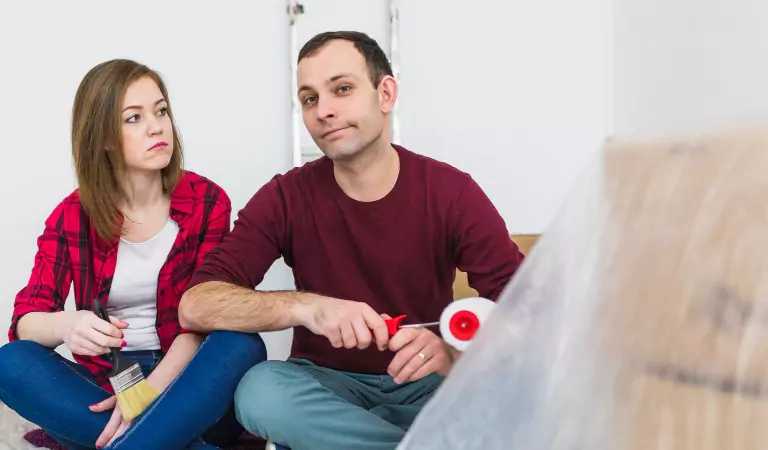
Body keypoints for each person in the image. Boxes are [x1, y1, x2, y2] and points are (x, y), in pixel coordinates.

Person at [178, 31, 525, 450]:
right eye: (309, 99)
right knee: (260, 391)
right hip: (327, 390)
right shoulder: (286, 196)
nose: (324, 110)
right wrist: (308, 307)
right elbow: (196, 305)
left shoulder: (451, 192)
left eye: (342, 89)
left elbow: (530, 309)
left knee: (519, 392)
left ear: (385, 93)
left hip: (429, 386)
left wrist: (454, 354)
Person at [0, 59, 266, 450]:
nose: (156, 127)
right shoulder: (71, 215)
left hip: (188, 381)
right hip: (110, 382)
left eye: (161, 111)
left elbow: (203, 319)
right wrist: (66, 325)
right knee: (10, 361)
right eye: (133, 118)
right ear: (104, 138)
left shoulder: (207, 201)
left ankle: (134, 438)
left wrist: (145, 398)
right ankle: (150, 440)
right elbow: (26, 321)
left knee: (241, 344)